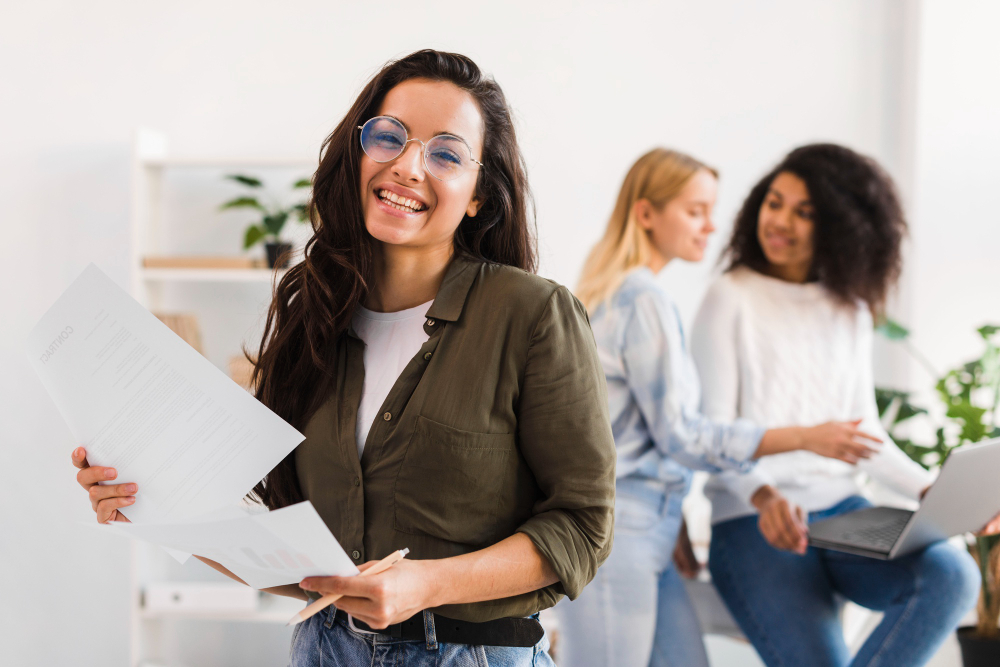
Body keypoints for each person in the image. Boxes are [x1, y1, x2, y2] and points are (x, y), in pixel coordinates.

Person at [70, 50, 618, 667]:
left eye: (445, 153)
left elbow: (582, 527)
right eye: (388, 138)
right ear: (357, 154)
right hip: (323, 649)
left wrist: (427, 585)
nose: (408, 166)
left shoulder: (531, 314)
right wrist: (154, 509)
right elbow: (301, 563)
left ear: (478, 198)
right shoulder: (314, 310)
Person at [555, 148, 884, 667]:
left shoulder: (627, 294)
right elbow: (681, 434)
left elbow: (634, 436)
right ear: (646, 214)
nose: (712, 226)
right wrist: (801, 436)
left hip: (647, 526)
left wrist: (676, 516)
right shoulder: (642, 299)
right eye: (695, 211)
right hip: (617, 536)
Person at [693, 143, 986, 667]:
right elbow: (712, 435)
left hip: (845, 514)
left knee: (953, 575)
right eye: (775, 202)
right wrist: (762, 496)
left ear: (840, 224)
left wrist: (931, 489)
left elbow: (864, 438)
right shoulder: (729, 297)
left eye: (804, 212)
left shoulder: (849, 308)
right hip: (752, 521)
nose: (779, 221)